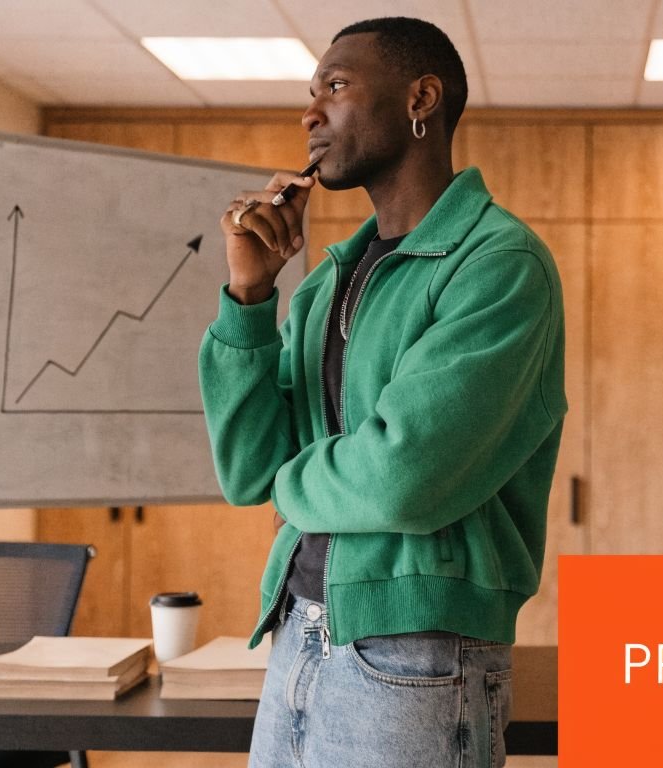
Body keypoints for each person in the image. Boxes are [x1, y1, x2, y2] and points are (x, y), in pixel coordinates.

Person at [197, 15, 566, 768]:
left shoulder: (498, 265)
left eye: (335, 86)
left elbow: (406, 479)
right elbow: (245, 470)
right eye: (310, 92)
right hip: (297, 629)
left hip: (419, 656)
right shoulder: (327, 280)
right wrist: (248, 296)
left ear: (419, 99)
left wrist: (289, 481)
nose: (310, 112)